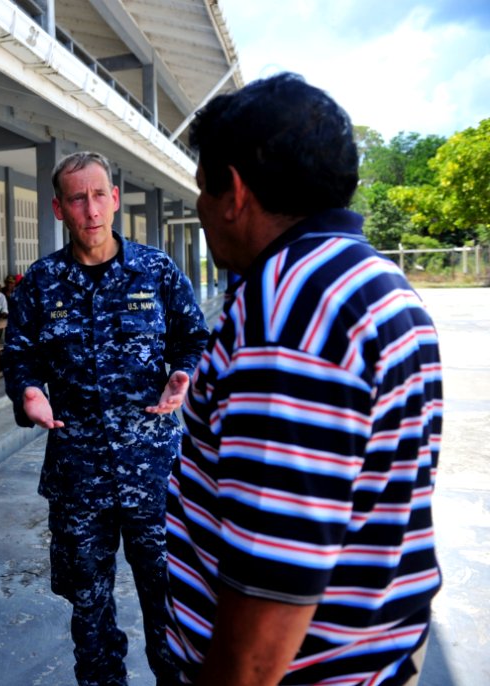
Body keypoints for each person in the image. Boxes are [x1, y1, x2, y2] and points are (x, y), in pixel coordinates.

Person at [164, 73, 443, 686]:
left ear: (233, 191)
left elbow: (271, 593)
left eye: (202, 193)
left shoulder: (292, 307)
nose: (203, 215)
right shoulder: (381, 284)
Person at [3, 151, 209, 686]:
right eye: (77, 197)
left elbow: (194, 338)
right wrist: (28, 392)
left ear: (114, 199)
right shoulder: (40, 284)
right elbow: (18, 356)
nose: (90, 208)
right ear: (59, 208)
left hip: (155, 474)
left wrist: (184, 372)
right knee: (90, 616)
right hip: (79, 477)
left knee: (172, 615)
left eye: (99, 195)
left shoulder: (157, 270)